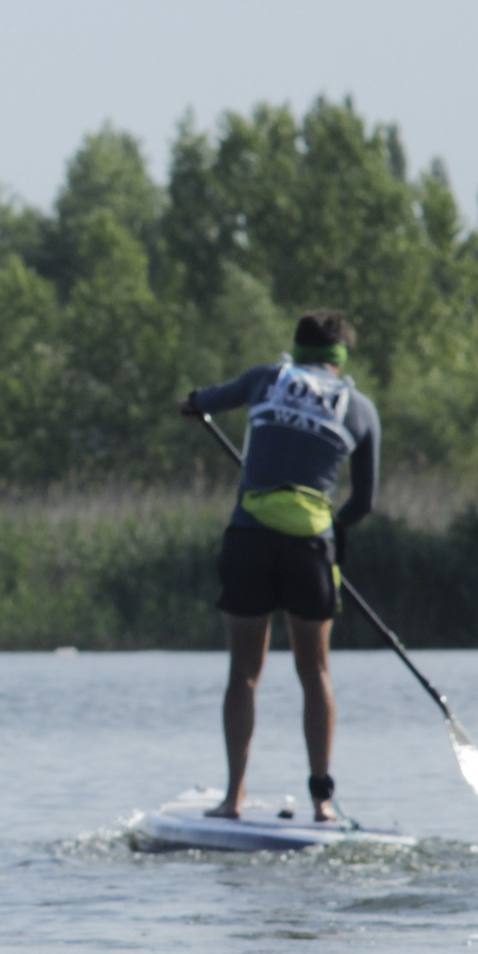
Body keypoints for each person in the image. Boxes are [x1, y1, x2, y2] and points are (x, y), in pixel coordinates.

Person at [176, 311, 380, 823]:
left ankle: (232, 799)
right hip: (310, 547)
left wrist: (195, 404)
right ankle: (323, 802)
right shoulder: (361, 409)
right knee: (316, 674)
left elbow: (205, 401)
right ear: (341, 359)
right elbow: (363, 503)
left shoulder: (268, 379)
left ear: (298, 349)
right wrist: (333, 532)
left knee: (244, 674)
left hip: (249, 539)